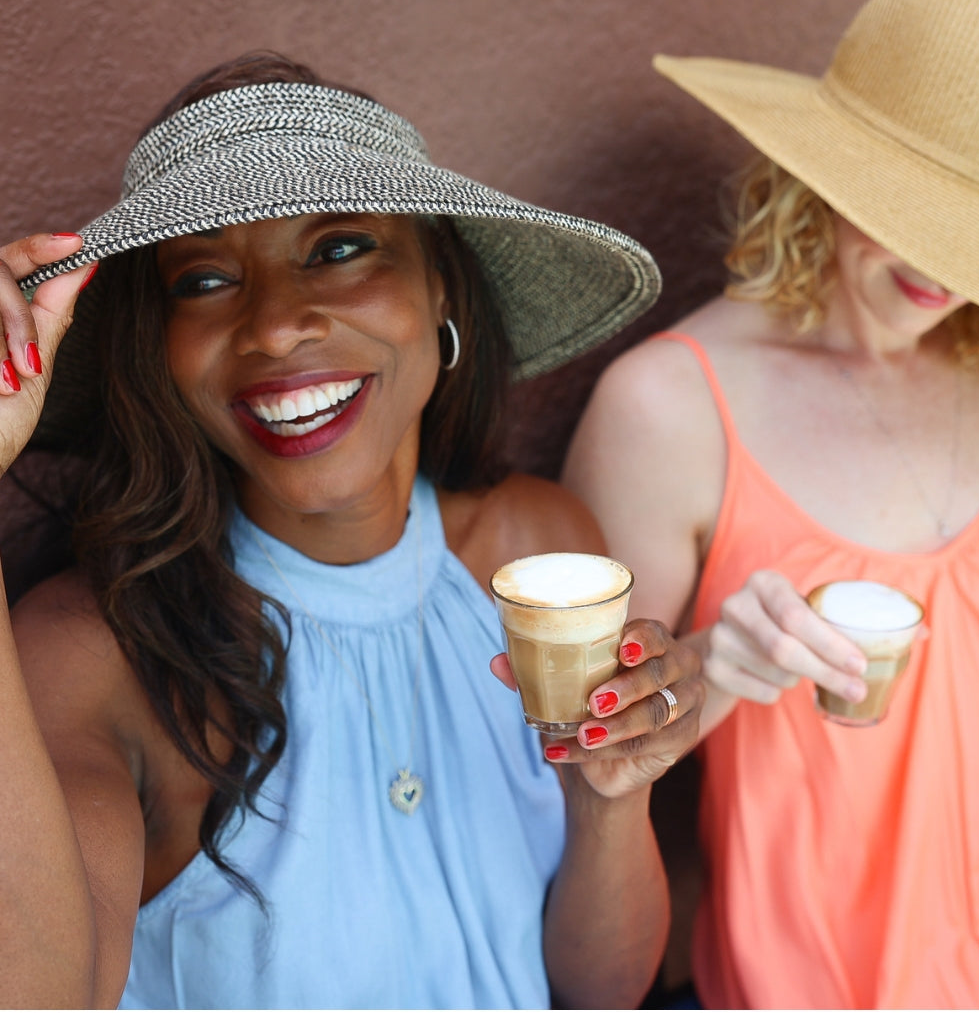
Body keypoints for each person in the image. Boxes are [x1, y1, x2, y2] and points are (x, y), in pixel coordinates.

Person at [0, 51, 704, 1009]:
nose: (279, 328)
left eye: (337, 249)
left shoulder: (537, 553)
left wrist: (608, 795)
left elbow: (598, 989)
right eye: (203, 280)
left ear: (442, 290)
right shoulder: (94, 651)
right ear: (156, 357)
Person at [562, 0, 979, 1009]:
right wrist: (716, 664)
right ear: (827, 164)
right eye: (913, 201)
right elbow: (582, 764)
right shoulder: (670, 408)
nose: (945, 261)